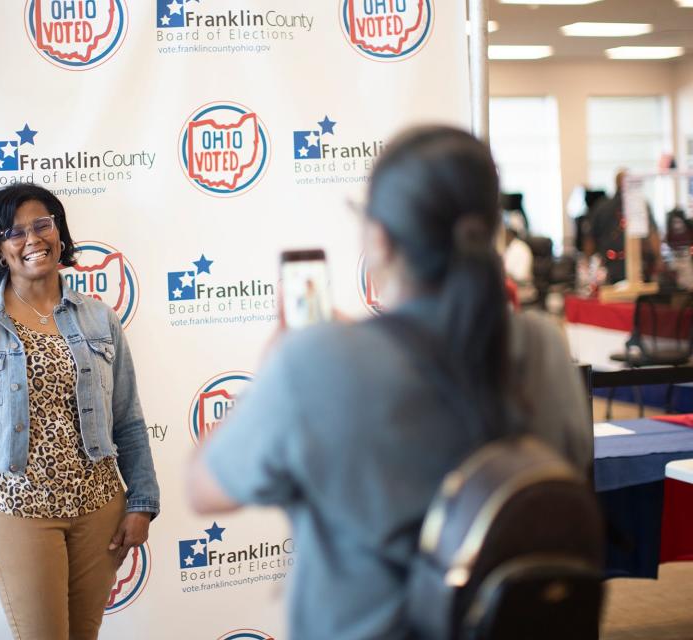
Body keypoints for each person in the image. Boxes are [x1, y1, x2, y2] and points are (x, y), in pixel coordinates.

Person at [186, 126, 592, 640]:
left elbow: (206, 488)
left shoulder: (315, 363)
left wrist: (280, 364)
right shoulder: (542, 344)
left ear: (379, 238)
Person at [0, 184, 159, 640]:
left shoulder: (98, 318)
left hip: (98, 510)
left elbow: (127, 418)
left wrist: (142, 504)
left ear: (59, 232)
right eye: (15, 232)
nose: (32, 239)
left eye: (42, 225)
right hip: (18, 508)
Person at [585, 169, 661, 283]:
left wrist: (588, 263)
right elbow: (653, 234)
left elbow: (590, 240)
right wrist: (658, 258)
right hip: (635, 265)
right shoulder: (640, 205)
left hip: (613, 266)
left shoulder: (601, 207)